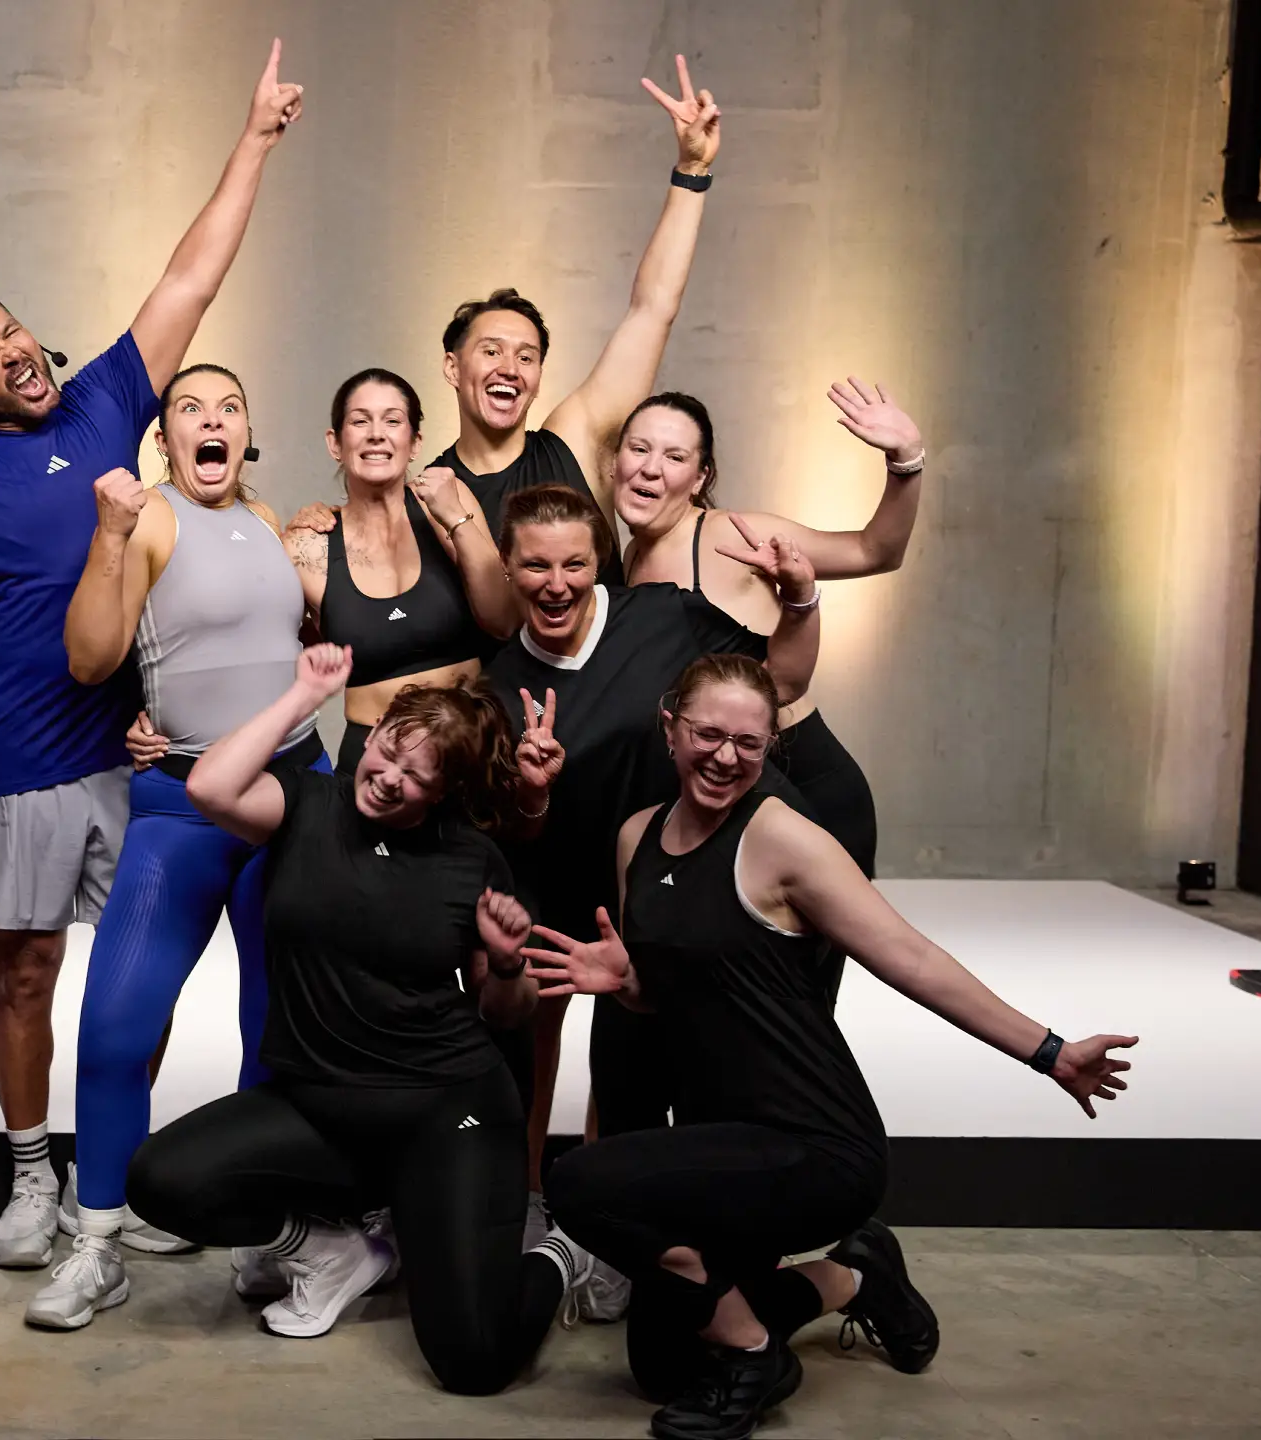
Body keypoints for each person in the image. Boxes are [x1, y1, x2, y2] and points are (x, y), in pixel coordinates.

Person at [525, 653, 1138, 1440]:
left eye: (750, 742)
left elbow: (912, 959)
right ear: (671, 728)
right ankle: (856, 1275)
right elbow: (685, 991)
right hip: (720, 1142)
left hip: (813, 1141)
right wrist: (630, 985)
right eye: (708, 734)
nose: (726, 756)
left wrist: (1050, 1051)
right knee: (664, 1369)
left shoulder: (786, 843)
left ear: (770, 745)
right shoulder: (636, 839)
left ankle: (756, 1356)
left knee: (580, 1184)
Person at [0, 41, 304, 1268]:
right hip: (25, 747)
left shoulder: (100, 402)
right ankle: (36, 1180)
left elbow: (191, 275)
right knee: (28, 976)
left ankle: (121, 1181)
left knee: (134, 995)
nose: (12, 354)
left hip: (143, 753)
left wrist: (252, 140)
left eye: (14, 332)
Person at [124, 648, 579, 1394]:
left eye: (417, 776)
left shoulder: (471, 862)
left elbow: (508, 1015)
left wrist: (502, 964)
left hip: (446, 1112)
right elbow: (208, 783)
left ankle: (562, 1255)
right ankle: (336, 1251)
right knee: (162, 1178)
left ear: (443, 795)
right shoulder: (307, 804)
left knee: (474, 1362)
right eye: (389, 750)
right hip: (320, 1110)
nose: (389, 776)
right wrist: (303, 693)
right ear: (373, 736)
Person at [31, 364, 321, 1327]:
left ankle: (262, 1233)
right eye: (188, 408)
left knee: (274, 1032)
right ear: (163, 439)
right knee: (116, 1027)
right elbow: (89, 656)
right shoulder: (150, 516)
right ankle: (98, 1242)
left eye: (229, 407)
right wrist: (110, 538)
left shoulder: (273, 519)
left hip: (291, 795)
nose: (211, 421)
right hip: (185, 803)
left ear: (248, 432)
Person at [480, 483, 816, 1289]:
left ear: (600, 563)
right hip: (550, 875)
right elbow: (517, 825)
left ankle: (611, 1225)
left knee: (628, 1060)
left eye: (573, 563)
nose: (554, 582)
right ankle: (526, 1204)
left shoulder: (664, 616)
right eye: (534, 565)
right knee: (525, 1048)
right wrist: (533, 790)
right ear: (508, 567)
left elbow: (784, 682)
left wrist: (799, 601)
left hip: (656, 876)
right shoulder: (500, 679)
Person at [614, 381, 928, 888]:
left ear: (700, 477)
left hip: (804, 782)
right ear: (615, 461)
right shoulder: (627, 560)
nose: (651, 467)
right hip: (723, 788)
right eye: (639, 448)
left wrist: (906, 460)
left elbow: (875, 550)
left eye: (675, 456)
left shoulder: (728, 534)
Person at [422, 56, 725, 553]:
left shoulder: (576, 443)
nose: (510, 368)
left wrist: (692, 171)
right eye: (492, 351)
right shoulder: (431, 495)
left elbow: (651, 310)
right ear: (453, 368)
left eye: (526, 357)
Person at [280, 368, 514, 770]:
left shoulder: (447, 500)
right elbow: (261, 650)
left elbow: (504, 620)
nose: (376, 433)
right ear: (335, 443)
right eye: (359, 420)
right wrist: (154, 716)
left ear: (415, 441)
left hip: (470, 748)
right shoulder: (306, 545)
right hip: (375, 758)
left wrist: (456, 519)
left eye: (392, 420)